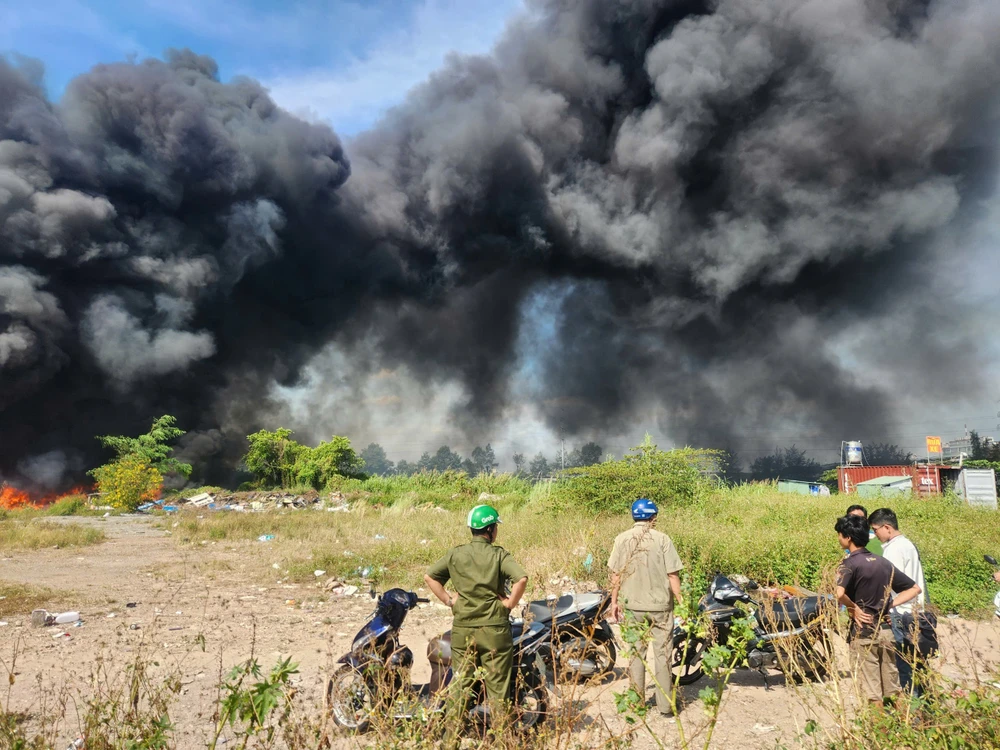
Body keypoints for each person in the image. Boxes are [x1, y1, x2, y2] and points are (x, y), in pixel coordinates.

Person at [425, 504, 528, 725]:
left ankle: (450, 740)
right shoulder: (499, 555)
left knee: (460, 687)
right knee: (499, 692)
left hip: (463, 630)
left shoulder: (456, 554)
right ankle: (501, 741)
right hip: (494, 630)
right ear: (490, 529)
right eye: (495, 527)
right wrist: (508, 603)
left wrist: (449, 600)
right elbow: (521, 579)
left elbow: (430, 577)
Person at [608, 498, 684, 716]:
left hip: (632, 608)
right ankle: (665, 706)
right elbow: (673, 574)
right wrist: (682, 604)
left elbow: (616, 575)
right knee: (663, 655)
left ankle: (637, 703)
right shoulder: (663, 540)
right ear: (652, 517)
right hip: (661, 608)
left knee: (636, 655)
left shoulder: (621, 539)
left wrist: (614, 602)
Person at [835, 514, 921, 705]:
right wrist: (889, 605)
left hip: (864, 632)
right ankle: (903, 730)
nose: (839, 539)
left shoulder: (849, 563)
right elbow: (915, 588)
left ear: (847, 537)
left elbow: (838, 593)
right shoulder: (882, 562)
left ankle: (878, 731)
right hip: (887, 632)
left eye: (840, 535)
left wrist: (854, 607)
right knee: (894, 688)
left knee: (872, 693)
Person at [868, 507, 928, 697]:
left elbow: (893, 584)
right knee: (917, 664)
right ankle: (925, 708)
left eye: (875, 530)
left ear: (887, 527)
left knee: (905, 666)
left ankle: (914, 713)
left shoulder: (894, 549)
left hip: (902, 612)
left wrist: (887, 607)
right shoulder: (907, 544)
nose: (875, 535)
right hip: (915, 610)